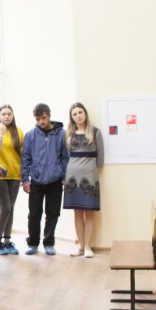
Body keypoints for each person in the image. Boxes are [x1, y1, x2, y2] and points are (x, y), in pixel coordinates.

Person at [20, 103, 69, 256]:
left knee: (53, 213)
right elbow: (25, 158)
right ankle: (33, 243)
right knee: (34, 214)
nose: (41, 121)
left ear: (49, 115)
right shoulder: (30, 135)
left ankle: (49, 243)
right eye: (38, 119)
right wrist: (25, 180)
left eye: (43, 118)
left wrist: (63, 175)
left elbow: (65, 157)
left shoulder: (61, 134)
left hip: (55, 181)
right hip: (36, 181)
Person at [63, 102, 104, 259]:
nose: (78, 116)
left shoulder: (95, 132)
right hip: (72, 176)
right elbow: (67, 155)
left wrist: (93, 171)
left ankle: (88, 247)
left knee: (90, 213)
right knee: (77, 213)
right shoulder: (68, 134)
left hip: (90, 176)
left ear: (85, 113)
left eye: (80, 112)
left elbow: (100, 158)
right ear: (72, 117)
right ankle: (80, 246)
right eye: (74, 114)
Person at [0, 104, 24, 256]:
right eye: (3, 114)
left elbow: (22, 154)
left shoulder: (19, 132)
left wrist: (23, 173)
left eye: (9, 113)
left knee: (11, 208)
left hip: (15, 176)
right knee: (6, 208)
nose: (7, 116)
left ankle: (7, 241)